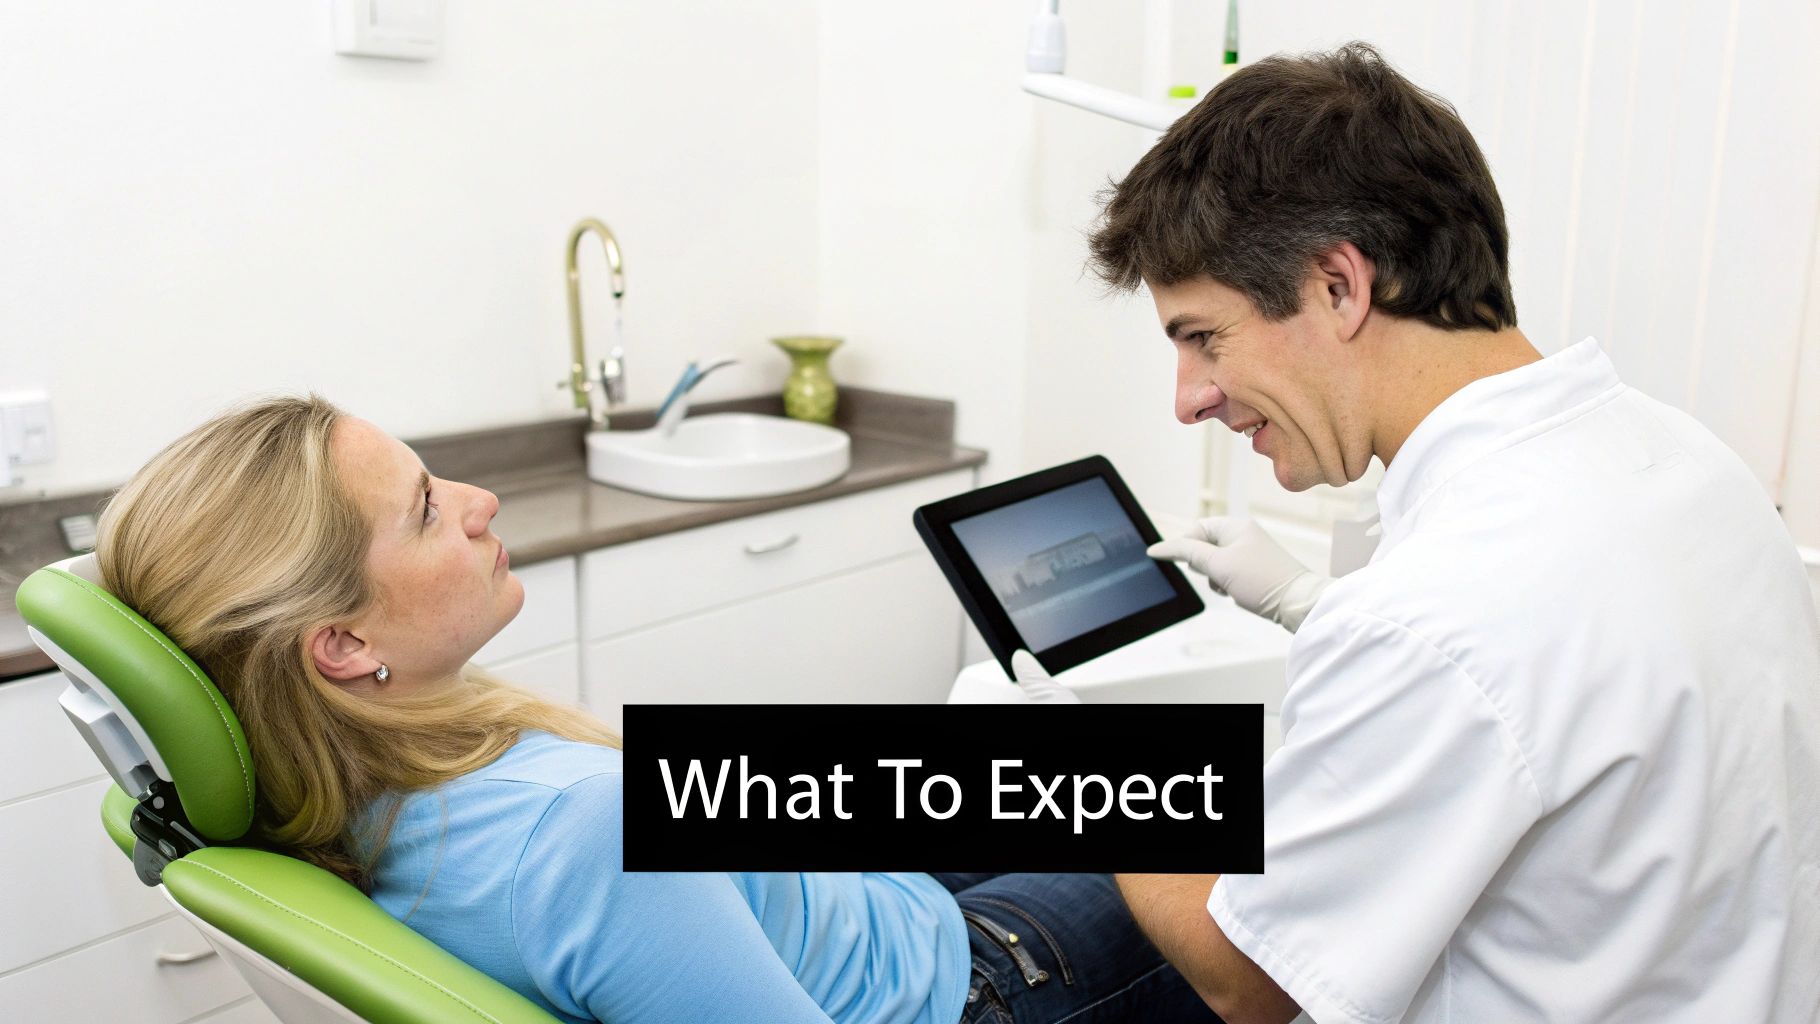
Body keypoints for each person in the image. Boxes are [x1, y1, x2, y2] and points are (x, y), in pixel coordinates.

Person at [1018, 42, 1820, 1023]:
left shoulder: (1437, 613)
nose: (1188, 399)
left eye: (1202, 337)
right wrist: (1316, 606)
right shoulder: (1685, 460)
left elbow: (1245, 978)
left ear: (1338, 286)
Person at [93, 394, 1221, 1024]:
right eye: (428, 509)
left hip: (830, 904)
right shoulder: (581, 829)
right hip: (959, 983)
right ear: (341, 644)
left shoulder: (336, 792)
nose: (482, 501)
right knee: (1216, 812)